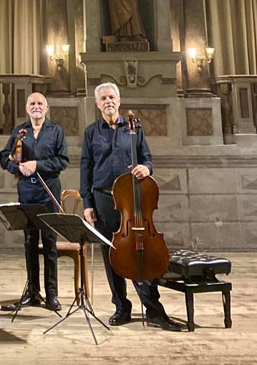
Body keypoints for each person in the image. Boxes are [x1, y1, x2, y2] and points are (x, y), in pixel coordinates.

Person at [79, 82, 182, 331]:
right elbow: (86, 168)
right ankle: (121, 307)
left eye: (111, 97)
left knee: (139, 255)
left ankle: (154, 310)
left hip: (131, 200)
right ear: (97, 104)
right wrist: (87, 203)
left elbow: (147, 158)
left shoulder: (134, 129)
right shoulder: (92, 132)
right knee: (111, 255)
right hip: (103, 198)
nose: (108, 101)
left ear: (119, 100)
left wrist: (146, 168)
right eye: (103, 98)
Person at [0, 92, 69, 312]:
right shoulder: (20, 132)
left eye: (40, 103)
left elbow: (63, 160)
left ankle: (52, 295)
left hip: (48, 192)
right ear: (27, 108)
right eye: (32, 103)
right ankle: (32, 292)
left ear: (46, 108)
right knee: (30, 243)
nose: (36, 106)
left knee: (49, 243)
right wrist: (17, 167)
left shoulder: (56, 131)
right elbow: (3, 156)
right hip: (27, 192)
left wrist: (37, 165)